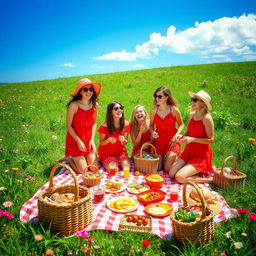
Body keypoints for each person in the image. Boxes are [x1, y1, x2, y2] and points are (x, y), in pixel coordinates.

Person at [169, 90, 214, 183]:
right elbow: (189, 132)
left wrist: (192, 139)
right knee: (171, 174)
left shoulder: (207, 118)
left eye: (195, 100)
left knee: (179, 178)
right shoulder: (191, 115)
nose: (192, 102)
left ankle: (208, 179)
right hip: (188, 151)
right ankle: (193, 170)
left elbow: (211, 140)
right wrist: (182, 136)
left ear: (203, 103)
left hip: (201, 155)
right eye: (192, 99)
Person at [64, 78, 101, 174]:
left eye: (90, 89)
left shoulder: (95, 105)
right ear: (80, 91)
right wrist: (79, 142)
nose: (88, 92)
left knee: (94, 169)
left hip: (88, 139)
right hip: (75, 140)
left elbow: (94, 123)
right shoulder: (74, 105)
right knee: (84, 171)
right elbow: (68, 126)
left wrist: (92, 140)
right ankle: (68, 158)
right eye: (85, 90)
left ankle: (84, 157)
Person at [150, 87, 184, 172]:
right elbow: (151, 125)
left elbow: (181, 124)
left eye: (160, 96)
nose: (157, 98)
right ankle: (168, 158)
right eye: (155, 96)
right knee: (157, 168)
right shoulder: (154, 111)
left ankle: (178, 157)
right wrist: (152, 132)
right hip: (159, 141)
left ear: (166, 97)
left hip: (172, 141)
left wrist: (176, 136)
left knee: (167, 168)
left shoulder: (174, 109)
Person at [98, 101, 130, 172]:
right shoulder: (105, 125)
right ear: (111, 112)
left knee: (126, 168)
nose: (119, 110)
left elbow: (125, 143)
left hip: (120, 152)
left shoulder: (126, 124)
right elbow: (101, 143)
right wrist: (108, 140)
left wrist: (123, 140)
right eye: (116, 109)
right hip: (107, 153)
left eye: (121, 108)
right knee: (114, 170)